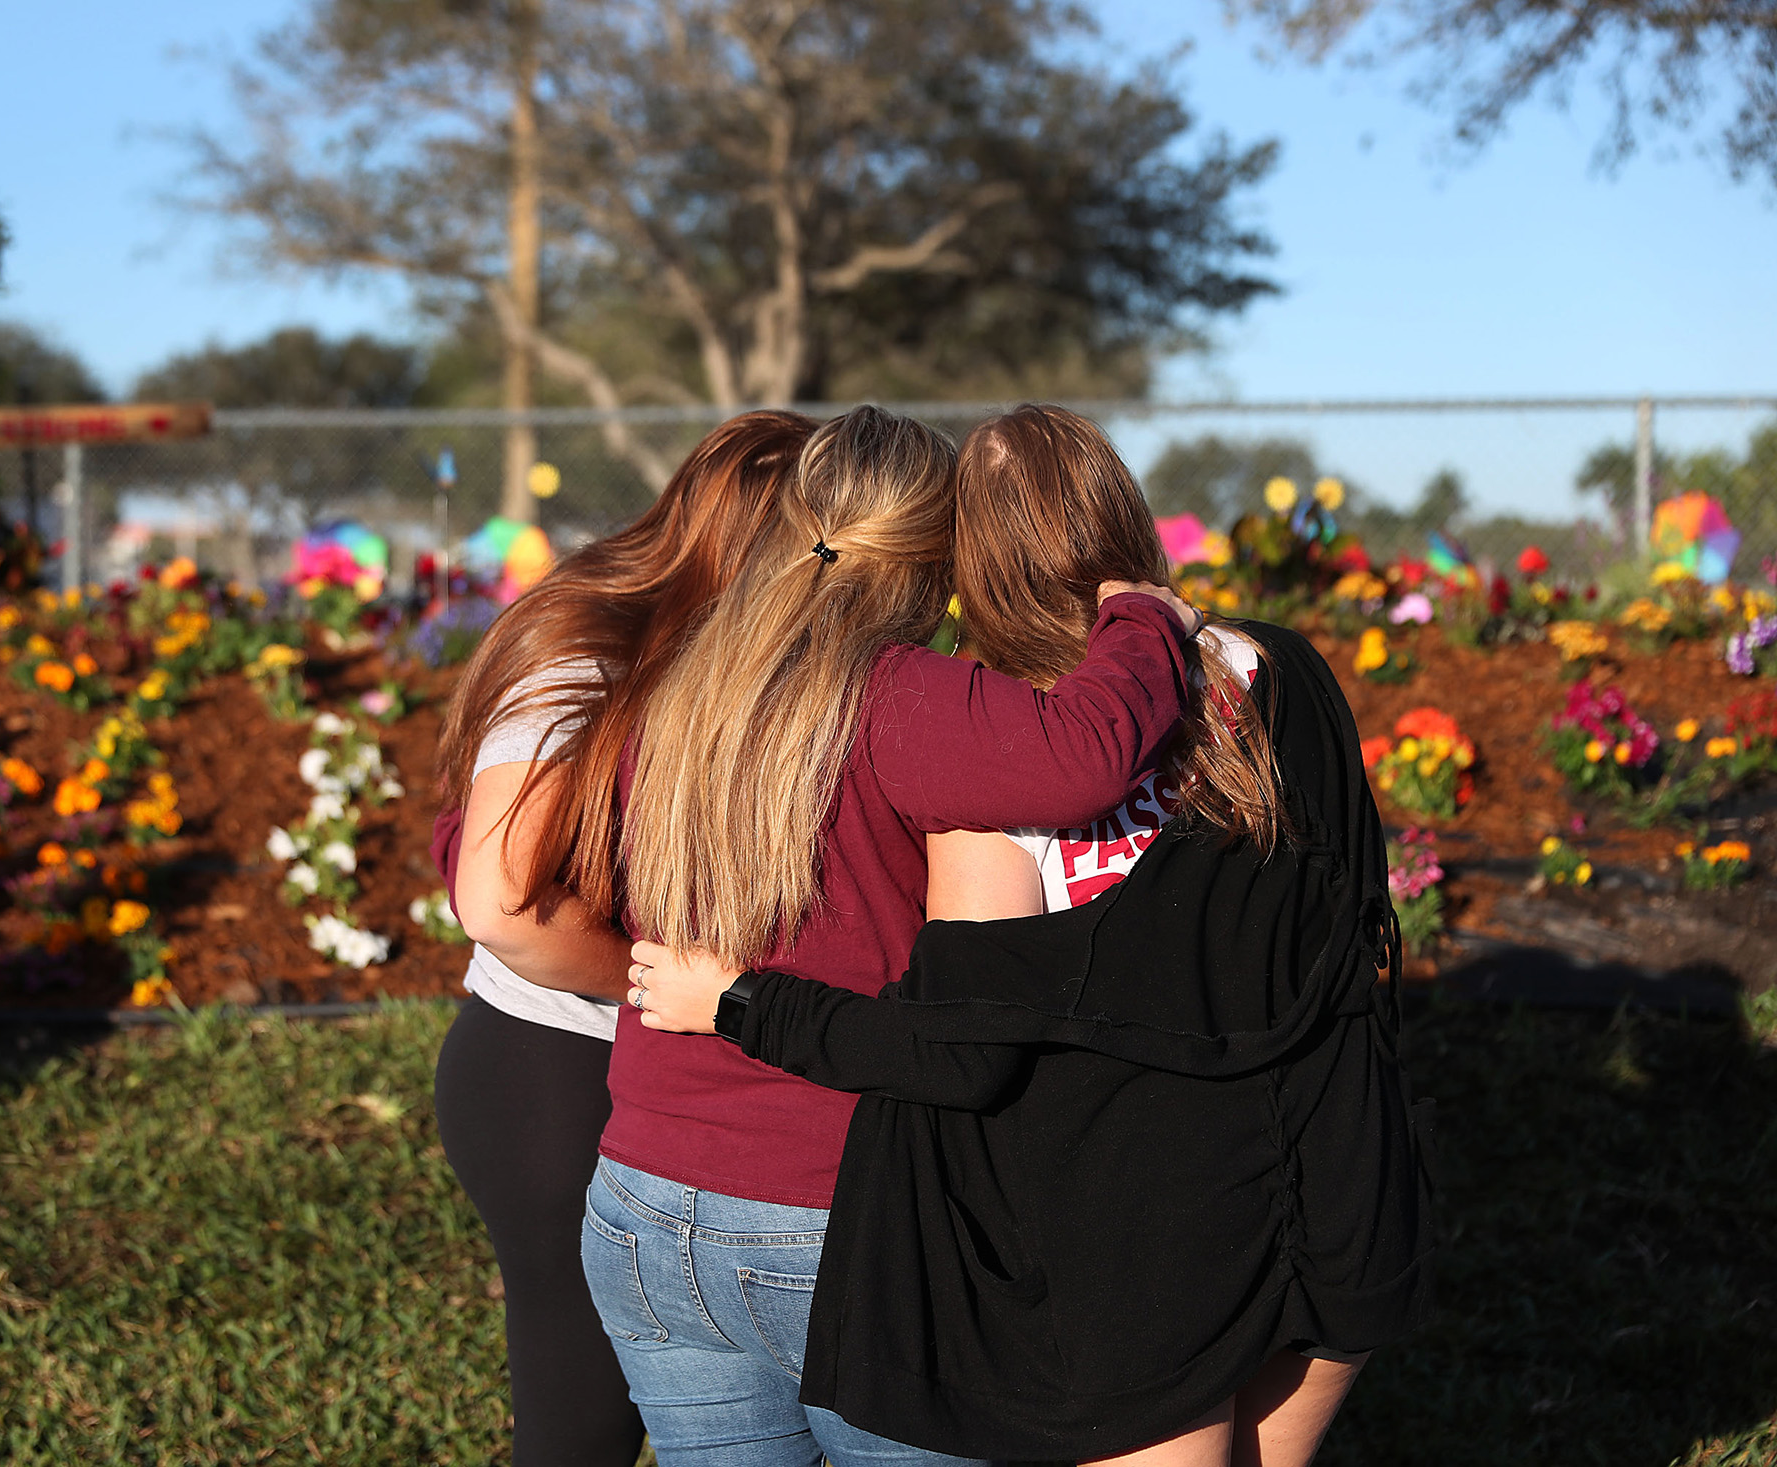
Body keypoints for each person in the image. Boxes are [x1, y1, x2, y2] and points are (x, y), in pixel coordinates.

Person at [627, 404, 1436, 1467]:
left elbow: (962, 1053)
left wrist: (737, 1000)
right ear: (1125, 516)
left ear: (966, 561)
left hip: (1144, 1246)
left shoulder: (997, 770)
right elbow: (1351, 915)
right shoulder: (1282, 677)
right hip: (1337, 1186)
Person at [580, 406, 1201, 1467]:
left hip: (639, 1203)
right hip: (832, 1215)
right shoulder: (906, 697)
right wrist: (1143, 619)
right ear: (936, 555)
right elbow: (1089, 753)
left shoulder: (678, 685)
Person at [431, 410, 818, 1467]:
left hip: (623, 1070)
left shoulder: (710, 654)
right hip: (550, 1069)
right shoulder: (589, 649)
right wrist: (654, 982)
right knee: (580, 1429)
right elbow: (499, 900)